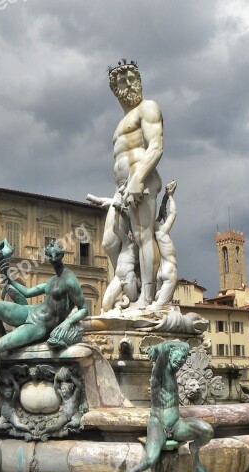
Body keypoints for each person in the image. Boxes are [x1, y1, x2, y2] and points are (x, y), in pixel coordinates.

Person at [0, 242, 88, 408]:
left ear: (61, 256)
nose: (51, 259)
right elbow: (27, 292)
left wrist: (67, 322)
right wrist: (6, 275)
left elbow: (84, 308)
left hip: (40, 326)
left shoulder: (70, 281)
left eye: (54, 256)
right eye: (49, 256)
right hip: (30, 311)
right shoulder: (52, 280)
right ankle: (5, 339)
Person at [111, 341, 213, 472]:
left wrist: (177, 349)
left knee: (207, 430)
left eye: (183, 361)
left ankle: (194, 450)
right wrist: (155, 348)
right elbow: (164, 348)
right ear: (170, 356)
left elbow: (185, 346)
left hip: (177, 424)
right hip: (158, 424)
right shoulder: (158, 374)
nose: (180, 363)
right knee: (151, 459)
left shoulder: (172, 373)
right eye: (178, 359)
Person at [109, 59, 164, 308]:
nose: (128, 83)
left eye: (132, 78)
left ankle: (147, 296)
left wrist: (138, 177)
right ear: (115, 88)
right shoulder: (120, 123)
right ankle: (129, 285)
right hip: (121, 188)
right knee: (110, 242)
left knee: (143, 236)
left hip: (141, 180)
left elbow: (156, 145)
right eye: (122, 80)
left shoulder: (148, 107)